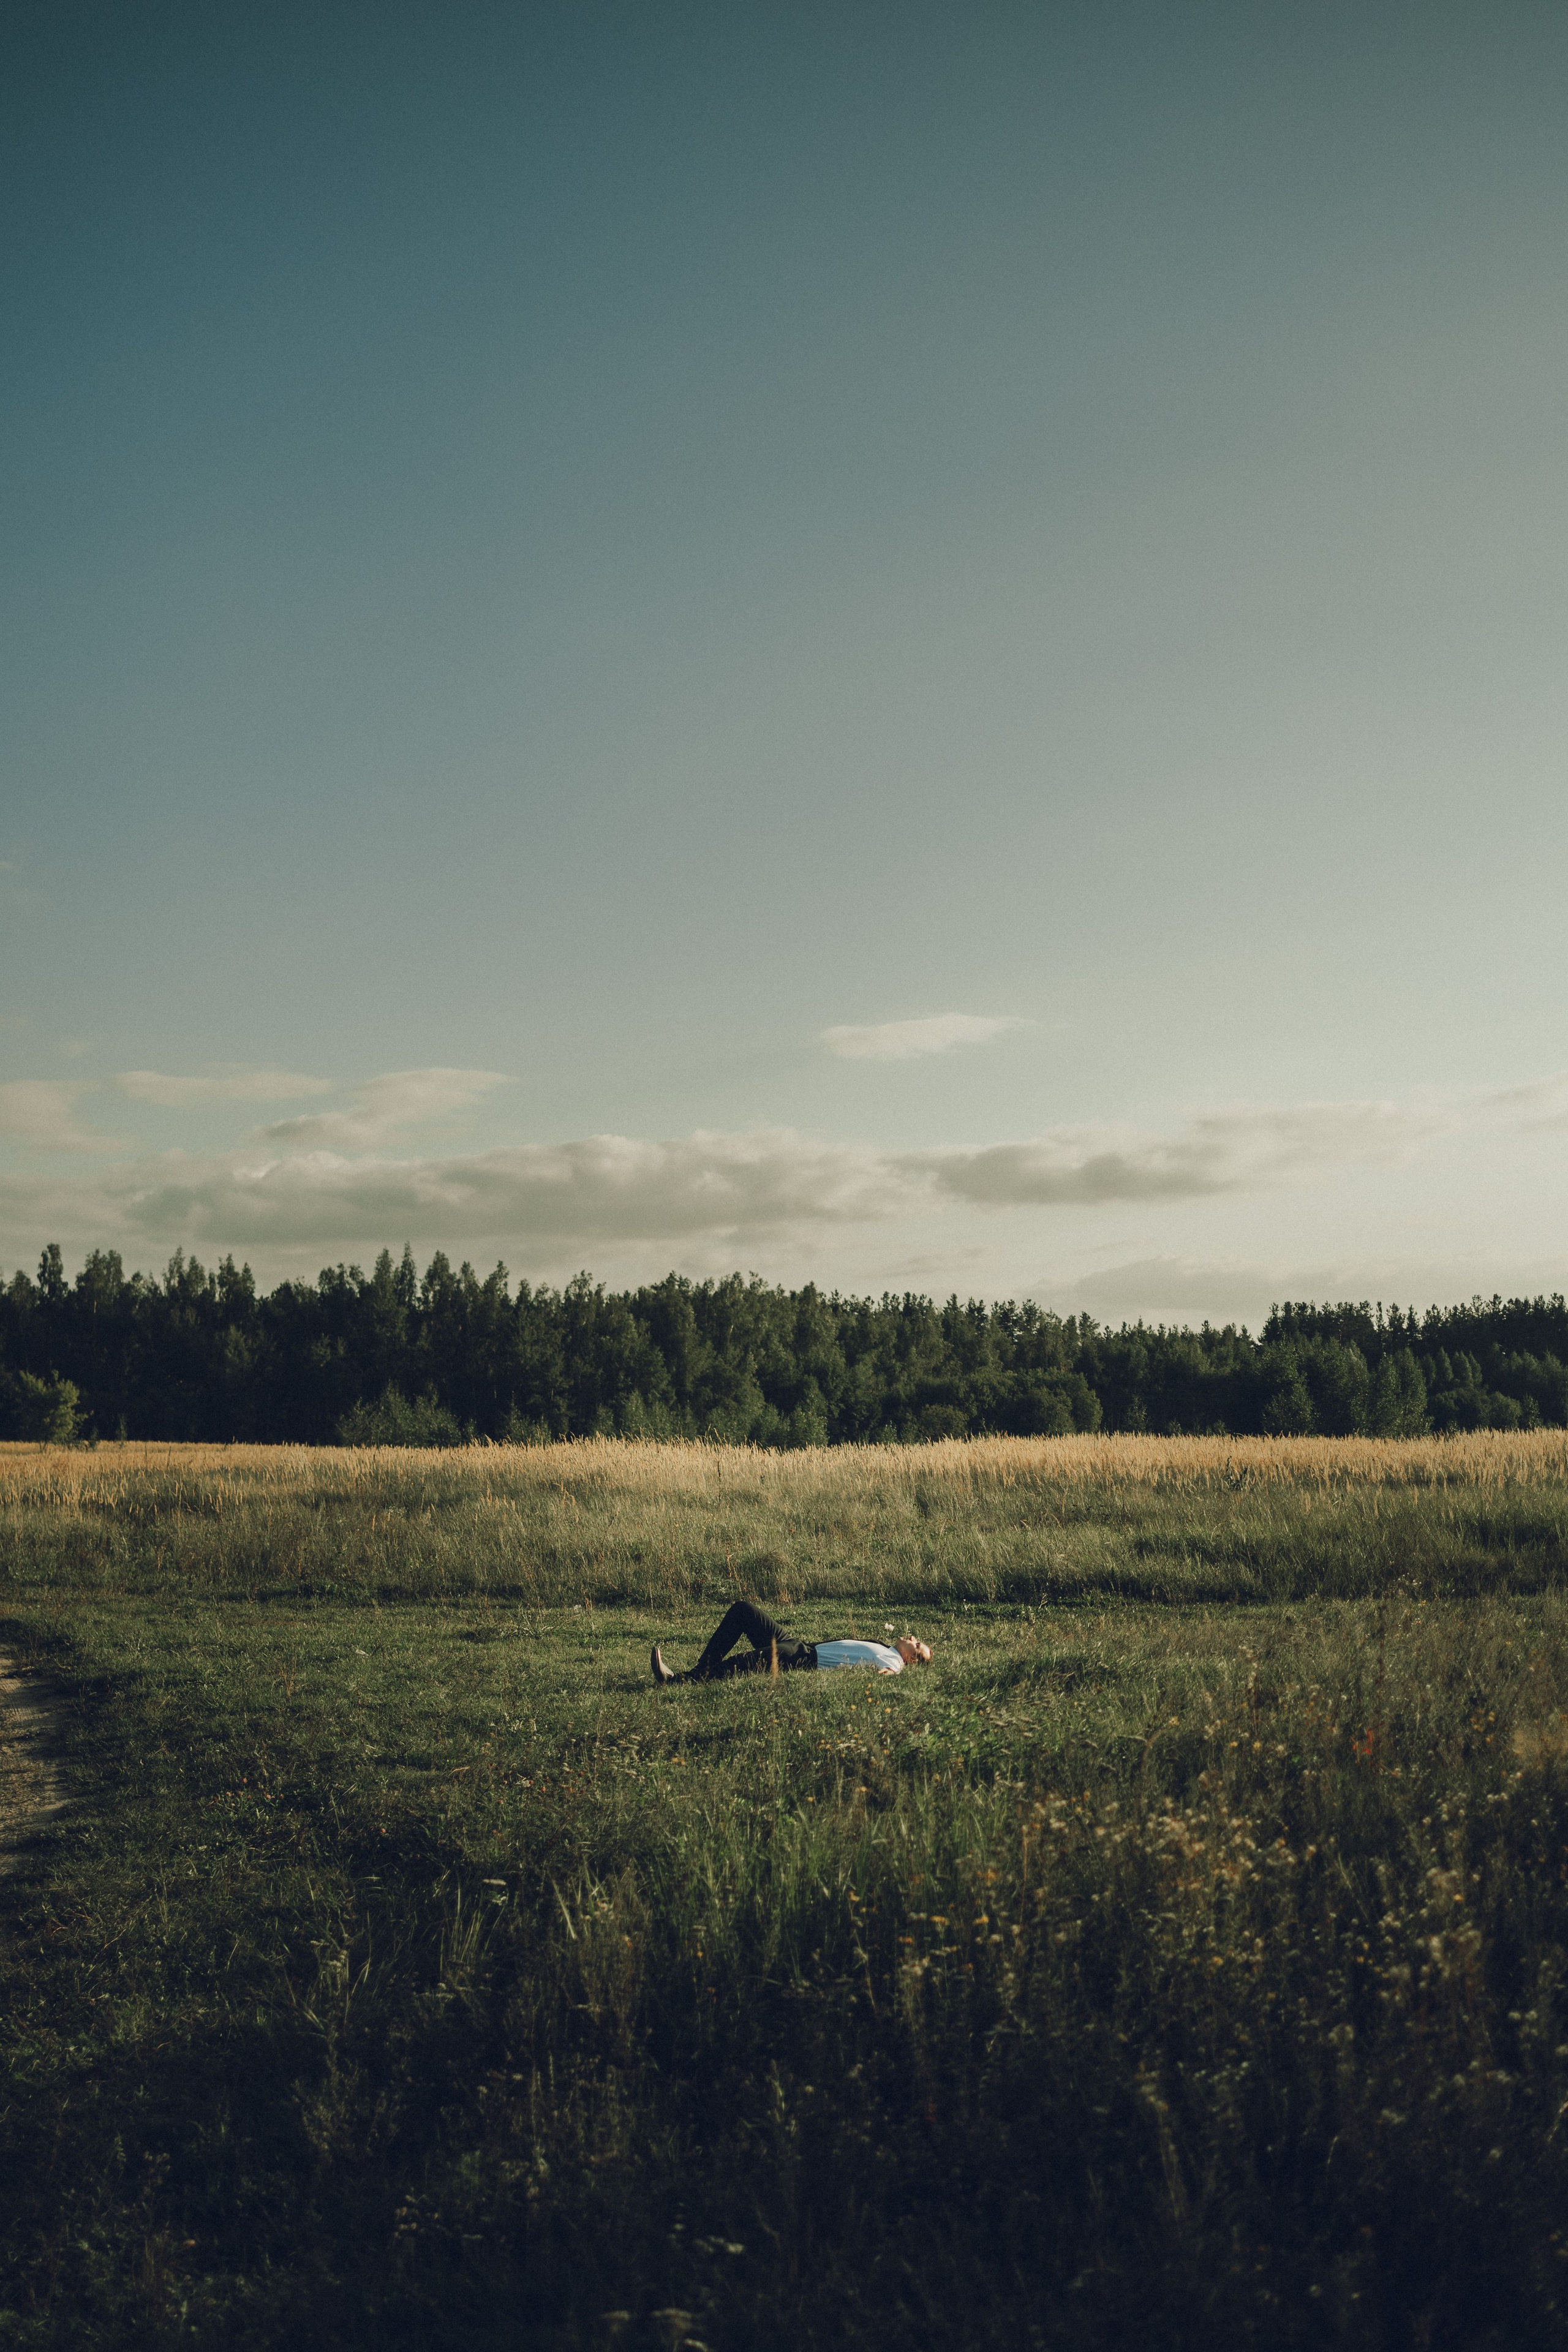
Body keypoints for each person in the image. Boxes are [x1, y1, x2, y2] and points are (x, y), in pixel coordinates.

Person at [651, 1599, 932, 1684]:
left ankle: (680, 1681)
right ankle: (699, 1670)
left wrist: (889, 1674)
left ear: (910, 1659)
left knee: (742, 1663)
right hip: (800, 1645)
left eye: (917, 1645)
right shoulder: (886, 1648)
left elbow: (891, 1671)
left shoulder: (894, 1660)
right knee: (743, 1611)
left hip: (801, 1659)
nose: (913, 1638)